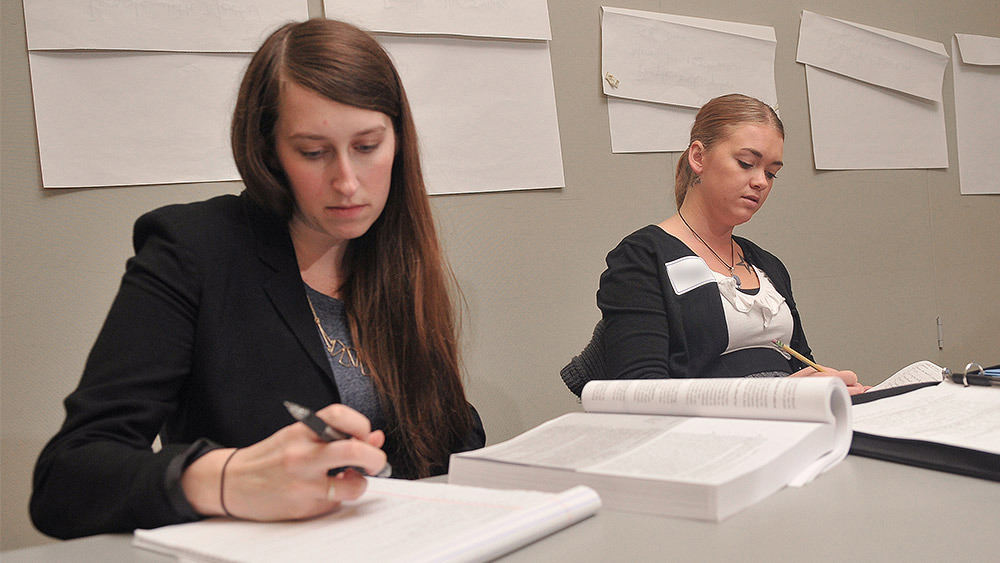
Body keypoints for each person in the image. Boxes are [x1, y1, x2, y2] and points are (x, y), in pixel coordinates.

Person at [30, 18, 485, 540]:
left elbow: (451, 439)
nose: (347, 181)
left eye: (367, 146)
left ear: (398, 141)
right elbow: (66, 479)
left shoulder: (394, 253)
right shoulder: (194, 249)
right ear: (269, 152)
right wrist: (226, 478)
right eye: (313, 152)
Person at [594, 93, 866, 393]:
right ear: (698, 157)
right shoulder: (643, 258)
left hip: (789, 423)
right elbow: (640, 391)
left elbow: (799, 363)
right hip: (708, 434)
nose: (761, 182)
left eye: (772, 173)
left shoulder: (766, 264)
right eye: (746, 163)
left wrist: (828, 386)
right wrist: (766, 398)